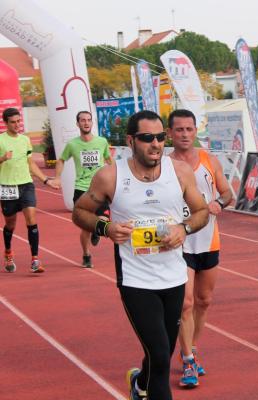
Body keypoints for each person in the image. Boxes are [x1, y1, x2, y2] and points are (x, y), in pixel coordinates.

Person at [72, 110, 209, 400]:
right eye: (147, 138)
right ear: (131, 140)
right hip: (136, 280)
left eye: (160, 137)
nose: (156, 144)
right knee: (160, 355)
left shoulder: (180, 172)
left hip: (173, 277)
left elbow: (201, 212)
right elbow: (80, 211)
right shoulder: (111, 176)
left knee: (160, 355)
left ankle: (139, 383)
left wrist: (183, 229)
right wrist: (106, 227)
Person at [167, 109, 233, 387]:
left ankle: (190, 349)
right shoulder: (165, 165)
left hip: (208, 240)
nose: (184, 134)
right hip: (179, 243)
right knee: (186, 303)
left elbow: (228, 192)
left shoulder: (209, 160)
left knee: (203, 301)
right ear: (169, 133)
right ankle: (189, 362)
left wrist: (220, 202)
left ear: (195, 131)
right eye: (179, 129)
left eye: (189, 129)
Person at [0, 107, 60, 273]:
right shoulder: (1, 140)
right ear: (6, 123)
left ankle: (35, 259)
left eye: (19, 121)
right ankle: (8, 252)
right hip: (7, 187)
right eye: (13, 122)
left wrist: (46, 180)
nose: (17, 124)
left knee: (31, 219)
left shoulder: (25, 140)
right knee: (10, 224)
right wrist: (2, 158)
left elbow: (31, 163)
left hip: (26, 184)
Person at [55, 111, 112, 268]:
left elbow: (109, 160)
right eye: (83, 120)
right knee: (85, 227)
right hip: (81, 189)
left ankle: (96, 230)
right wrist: (58, 177)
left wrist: (115, 176)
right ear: (78, 124)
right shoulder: (72, 144)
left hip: (99, 188)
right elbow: (61, 160)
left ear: (92, 123)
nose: (86, 123)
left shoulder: (102, 142)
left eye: (89, 120)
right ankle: (86, 254)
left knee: (104, 220)